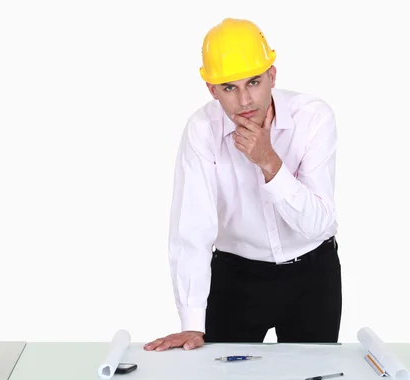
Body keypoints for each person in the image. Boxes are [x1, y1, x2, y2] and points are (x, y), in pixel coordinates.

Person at [144, 18, 342, 352]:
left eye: (254, 82)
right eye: (229, 88)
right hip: (235, 278)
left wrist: (270, 162)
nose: (245, 100)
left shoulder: (314, 118)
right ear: (212, 90)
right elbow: (191, 230)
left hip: (311, 273)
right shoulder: (201, 131)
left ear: (272, 77)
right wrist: (192, 323)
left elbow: (319, 224)